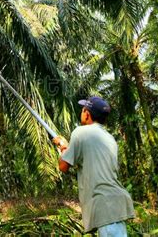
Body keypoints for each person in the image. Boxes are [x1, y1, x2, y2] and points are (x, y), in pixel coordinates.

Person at [53, 96, 135, 237]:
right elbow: (89, 163)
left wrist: (63, 147)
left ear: (87, 114)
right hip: (114, 203)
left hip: (105, 206)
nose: (82, 112)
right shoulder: (109, 138)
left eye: (83, 109)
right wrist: (67, 148)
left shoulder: (81, 132)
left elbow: (63, 166)